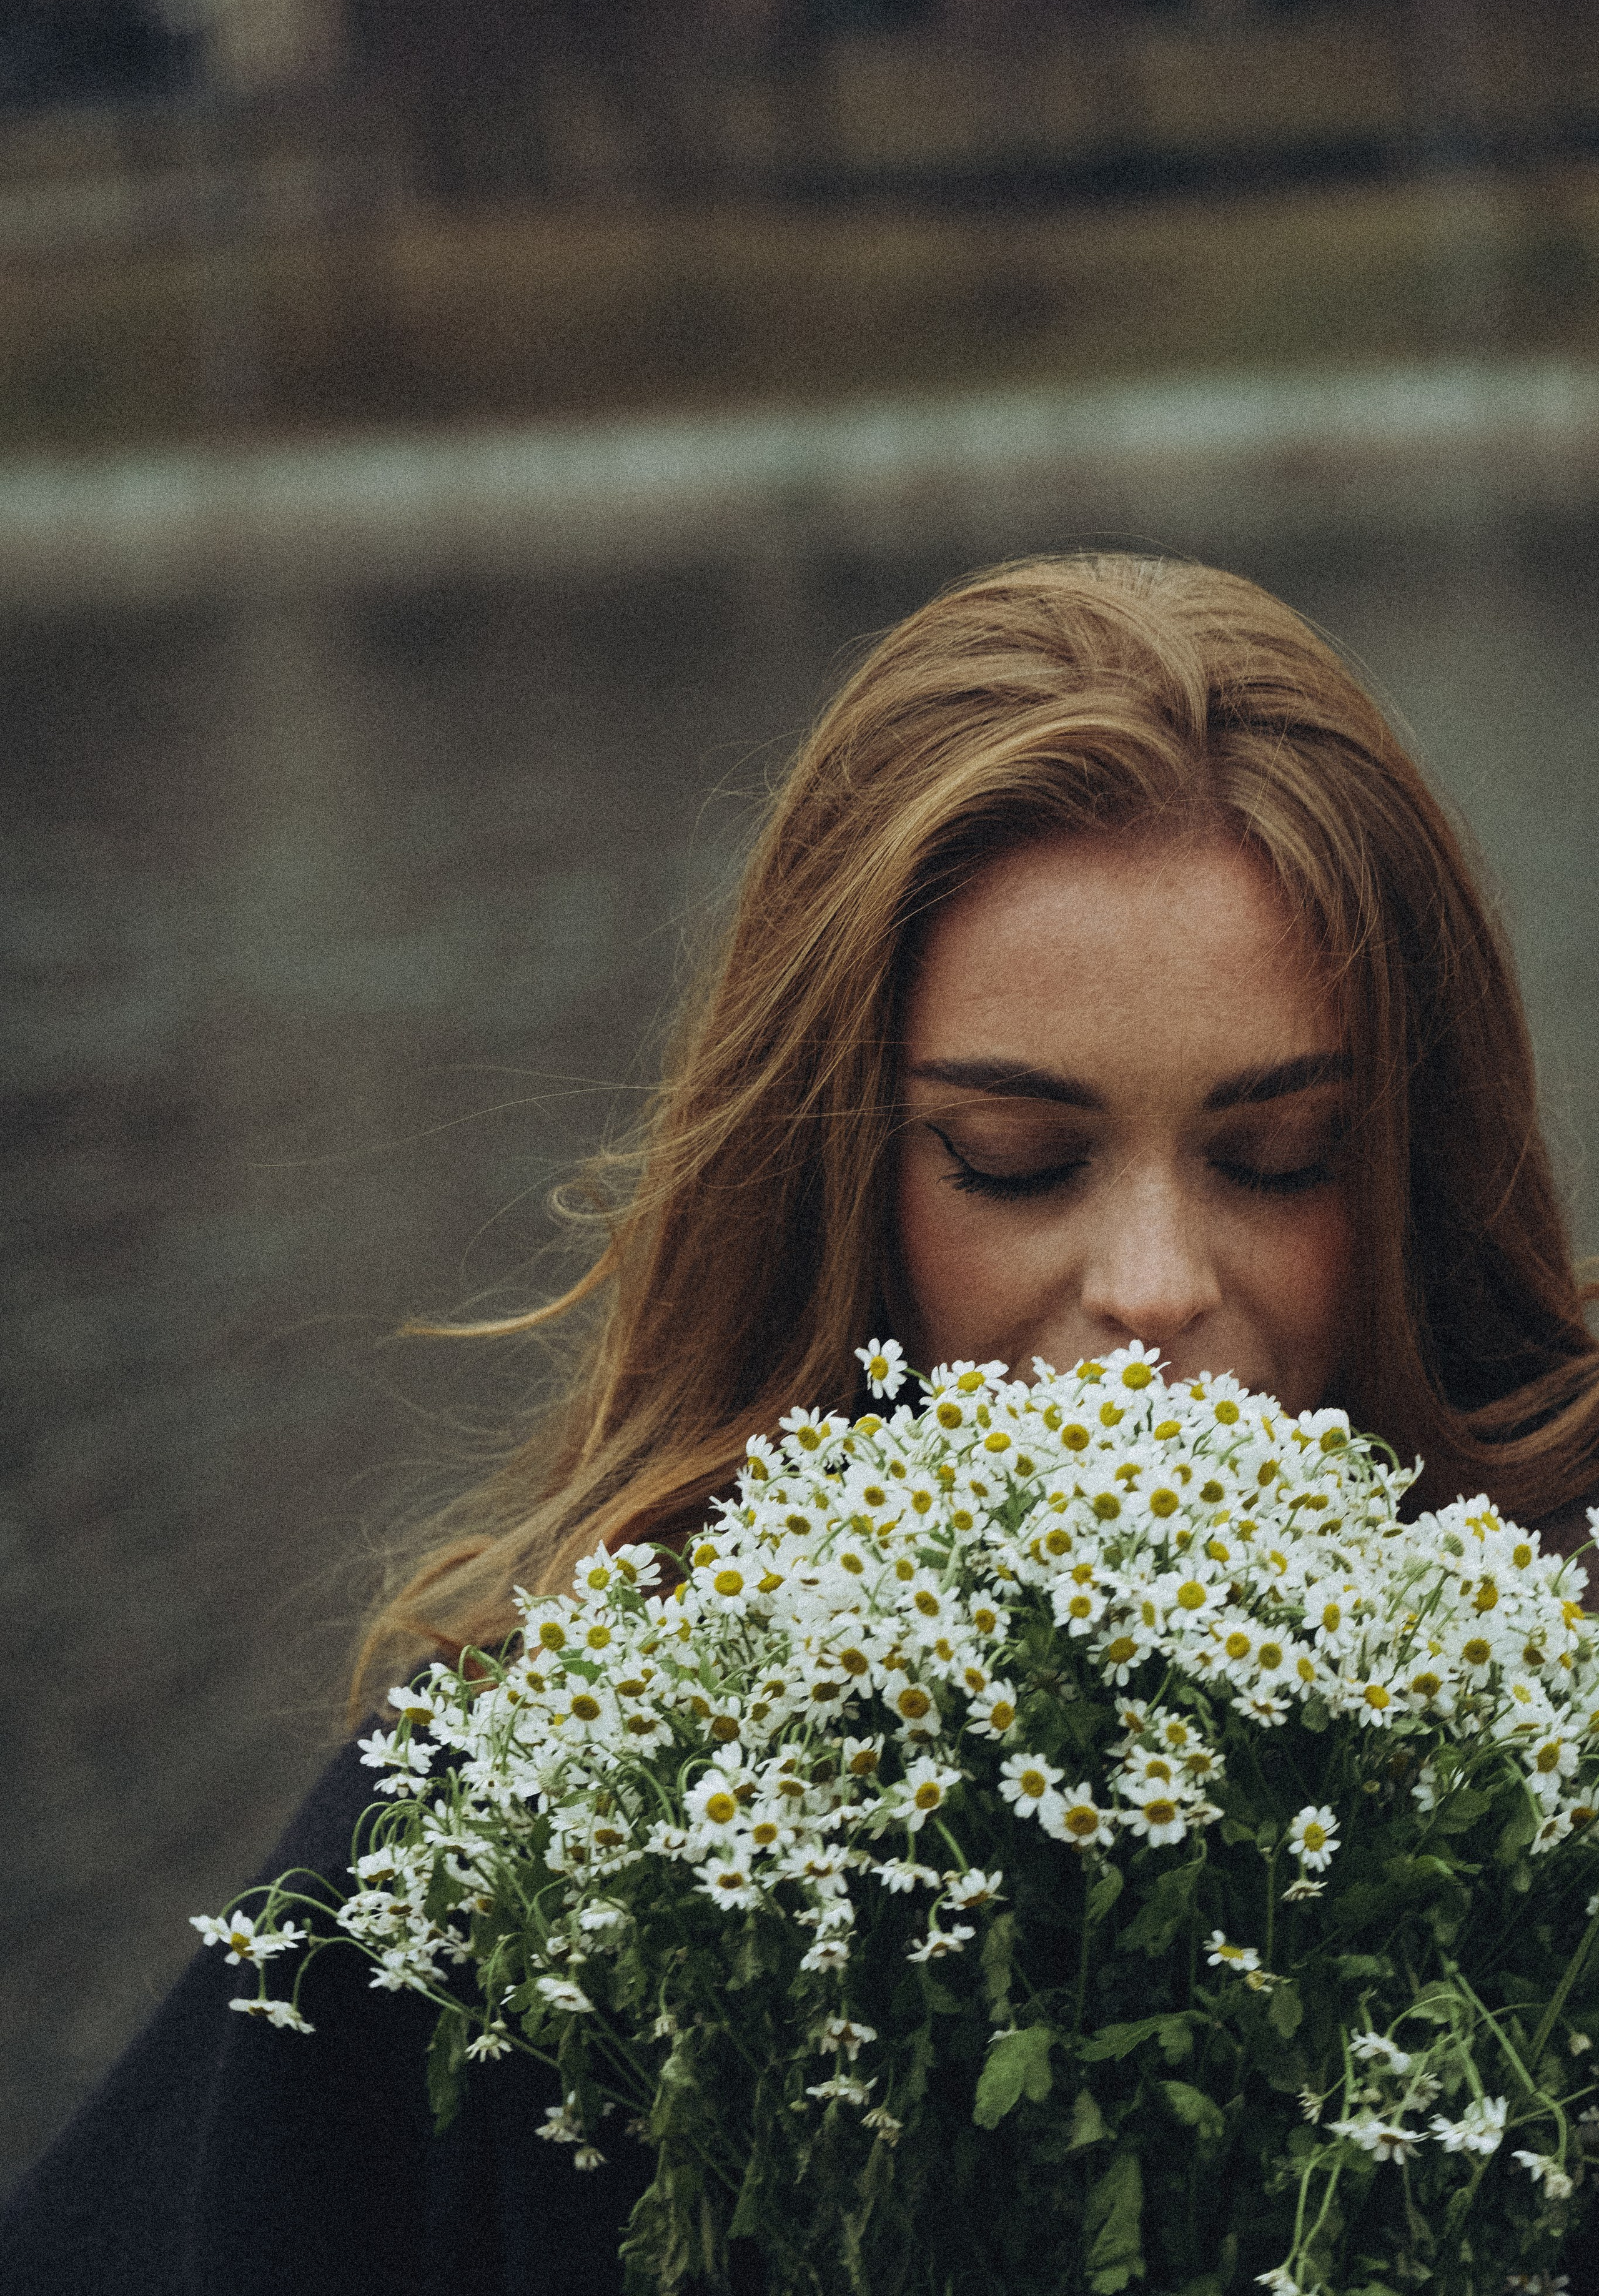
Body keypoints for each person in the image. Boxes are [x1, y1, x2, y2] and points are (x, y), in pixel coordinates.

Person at [6, 552, 1597, 2294]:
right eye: (1016, 1163)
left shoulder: (1551, 1773)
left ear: (1416, 1175)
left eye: (1278, 1160)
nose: (1153, 1287)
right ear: (831, 1180)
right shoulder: (530, 1839)